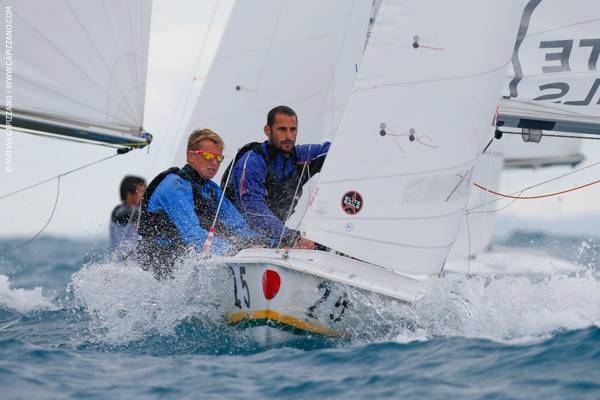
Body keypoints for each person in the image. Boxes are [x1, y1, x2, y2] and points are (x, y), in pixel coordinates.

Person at [137, 128, 271, 278]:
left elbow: (238, 226)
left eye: (219, 158)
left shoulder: (211, 189)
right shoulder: (174, 185)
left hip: (182, 261)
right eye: (208, 156)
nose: (214, 163)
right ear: (191, 156)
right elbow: (192, 233)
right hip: (155, 264)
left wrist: (268, 244)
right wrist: (234, 251)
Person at [222, 105, 329, 249]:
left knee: (326, 245)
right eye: (282, 129)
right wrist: (291, 238)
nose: (288, 136)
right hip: (238, 240)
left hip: (275, 238)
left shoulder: (301, 156)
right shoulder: (252, 162)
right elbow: (253, 211)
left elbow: (338, 150)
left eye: (293, 129)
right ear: (267, 130)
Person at [110, 175, 146, 260]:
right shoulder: (119, 211)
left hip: (138, 262)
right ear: (129, 194)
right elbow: (123, 215)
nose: (145, 195)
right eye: (141, 191)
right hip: (124, 263)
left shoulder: (139, 211)